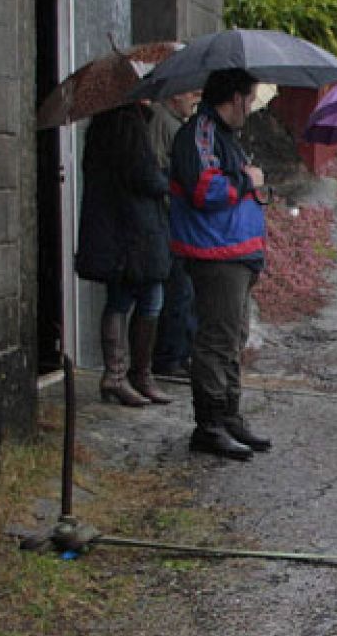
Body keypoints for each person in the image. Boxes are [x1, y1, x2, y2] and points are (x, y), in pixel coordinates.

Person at [169, 68, 270, 461]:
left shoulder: (225, 137)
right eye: (251, 97)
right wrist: (247, 181)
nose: (252, 106)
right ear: (236, 98)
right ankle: (209, 424)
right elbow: (203, 188)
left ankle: (229, 416)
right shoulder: (199, 133)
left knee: (233, 337)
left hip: (237, 252)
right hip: (215, 253)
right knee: (216, 340)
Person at [74, 103, 174, 407]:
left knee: (131, 298)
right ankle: (124, 376)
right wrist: (165, 178)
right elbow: (145, 177)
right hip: (133, 233)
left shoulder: (104, 127)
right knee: (137, 299)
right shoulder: (126, 125)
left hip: (125, 232)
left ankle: (127, 375)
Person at [148, 89, 201, 377]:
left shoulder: (175, 123)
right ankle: (170, 357)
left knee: (185, 292)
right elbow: (160, 172)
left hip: (178, 220)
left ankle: (179, 355)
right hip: (170, 222)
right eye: (191, 92)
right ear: (174, 95)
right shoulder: (162, 122)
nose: (195, 98)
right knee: (177, 293)